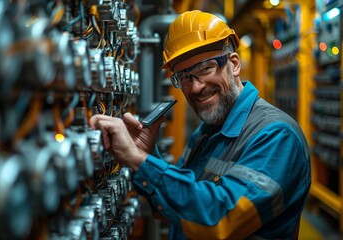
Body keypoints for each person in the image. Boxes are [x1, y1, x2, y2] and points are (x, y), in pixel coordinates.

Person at [90, 10, 311, 240]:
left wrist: (139, 161)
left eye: (205, 69)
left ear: (233, 64)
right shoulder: (208, 131)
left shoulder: (277, 136)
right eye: (184, 77)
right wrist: (146, 154)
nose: (195, 87)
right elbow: (185, 206)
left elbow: (217, 220)